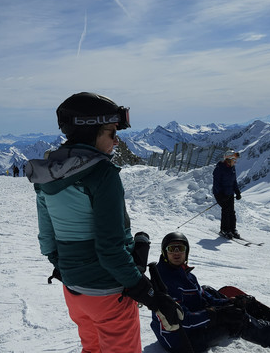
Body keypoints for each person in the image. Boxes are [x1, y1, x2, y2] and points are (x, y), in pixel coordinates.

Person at [26, 92, 182, 352]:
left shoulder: (48, 173)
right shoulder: (102, 173)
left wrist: (69, 270)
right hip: (108, 294)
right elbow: (109, 250)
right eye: (111, 132)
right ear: (92, 132)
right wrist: (148, 293)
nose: (116, 140)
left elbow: (48, 241)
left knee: (92, 348)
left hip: (74, 292)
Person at [151, 232, 270, 353]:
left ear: (187, 252)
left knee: (207, 290)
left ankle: (251, 316)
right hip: (182, 341)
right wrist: (218, 314)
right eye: (172, 249)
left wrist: (229, 302)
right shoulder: (165, 282)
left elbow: (202, 296)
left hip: (189, 328)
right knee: (237, 320)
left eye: (181, 248)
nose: (177, 252)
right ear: (165, 252)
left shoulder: (184, 273)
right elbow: (183, 321)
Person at [212, 150, 242, 239]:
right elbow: (216, 183)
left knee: (232, 211)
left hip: (229, 193)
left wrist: (237, 192)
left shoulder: (232, 168)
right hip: (220, 193)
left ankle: (232, 229)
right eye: (234, 160)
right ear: (229, 159)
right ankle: (224, 230)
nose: (235, 162)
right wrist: (221, 194)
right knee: (226, 210)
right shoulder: (219, 168)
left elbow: (234, 181)